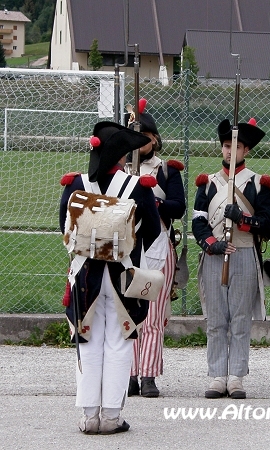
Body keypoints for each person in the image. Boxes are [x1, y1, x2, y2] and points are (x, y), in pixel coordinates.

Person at [59, 122, 161, 434]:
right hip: (122, 276)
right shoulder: (137, 187)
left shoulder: (74, 183)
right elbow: (153, 231)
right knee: (119, 343)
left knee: (87, 340)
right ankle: (112, 417)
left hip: (85, 275)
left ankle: (89, 417)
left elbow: (65, 229)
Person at [192, 117, 270, 399]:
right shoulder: (207, 184)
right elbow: (198, 222)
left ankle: (236, 376)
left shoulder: (257, 184)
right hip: (214, 254)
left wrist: (243, 219)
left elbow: (266, 222)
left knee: (240, 319)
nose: (230, 151)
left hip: (244, 251)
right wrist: (211, 244)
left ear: (245, 151)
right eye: (227, 145)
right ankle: (217, 375)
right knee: (216, 320)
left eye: (236, 146)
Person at [124, 99, 186, 398]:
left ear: (154, 139)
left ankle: (148, 374)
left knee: (152, 316)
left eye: (145, 137)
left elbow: (178, 206)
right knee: (128, 314)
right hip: (125, 246)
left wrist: (153, 203)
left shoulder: (166, 171)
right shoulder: (118, 169)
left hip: (157, 245)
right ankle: (129, 374)